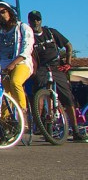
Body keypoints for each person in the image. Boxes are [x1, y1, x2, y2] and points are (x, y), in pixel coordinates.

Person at [26, 10, 86, 142]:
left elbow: (68, 45)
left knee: (67, 97)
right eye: (32, 20)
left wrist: (68, 62)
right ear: (29, 21)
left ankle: (75, 131)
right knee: (38, 96)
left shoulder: (51, 32)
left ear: (41, 20)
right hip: (40, 68)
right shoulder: (28, 35)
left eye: (37, 19)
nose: (35, 22)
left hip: (55, 66)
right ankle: (41, 126)